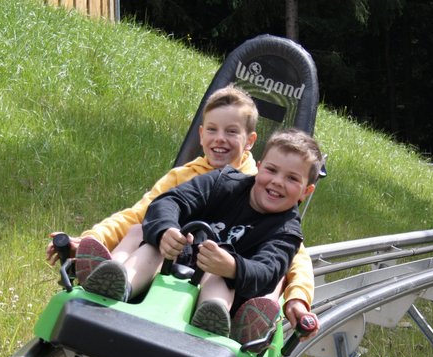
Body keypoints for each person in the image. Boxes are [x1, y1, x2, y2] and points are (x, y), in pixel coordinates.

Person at [46, 84, 319, 340]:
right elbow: (151, 208)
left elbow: (289, 260)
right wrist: (160, 232)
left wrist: (294, 296)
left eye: (292, 179)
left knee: (235, 278)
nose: (277, 182)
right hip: (176, 255)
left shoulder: (283, 225)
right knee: (144, 231)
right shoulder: (214, 179)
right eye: (271, 170)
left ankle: (217, 319)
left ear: (250, 141)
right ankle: (116, 279)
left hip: (225, 279)